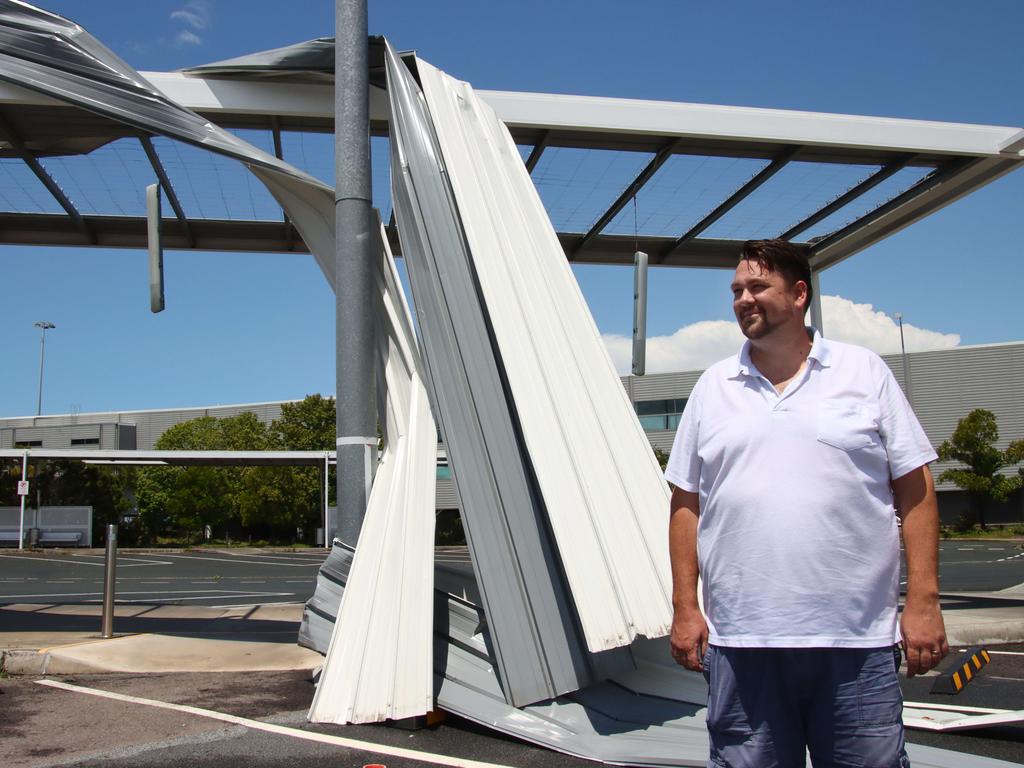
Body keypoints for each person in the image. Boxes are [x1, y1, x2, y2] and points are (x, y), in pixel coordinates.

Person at [665, 239, 947, 767]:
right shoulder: (712, 387)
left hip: (856, 642)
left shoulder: (863, 373)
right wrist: (685, 606)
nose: (743, 299)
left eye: (757, 287)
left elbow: (917, 489)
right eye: (736, 290)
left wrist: (924, 601)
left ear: (799, 295)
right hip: (741, 643)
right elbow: (686, 502)